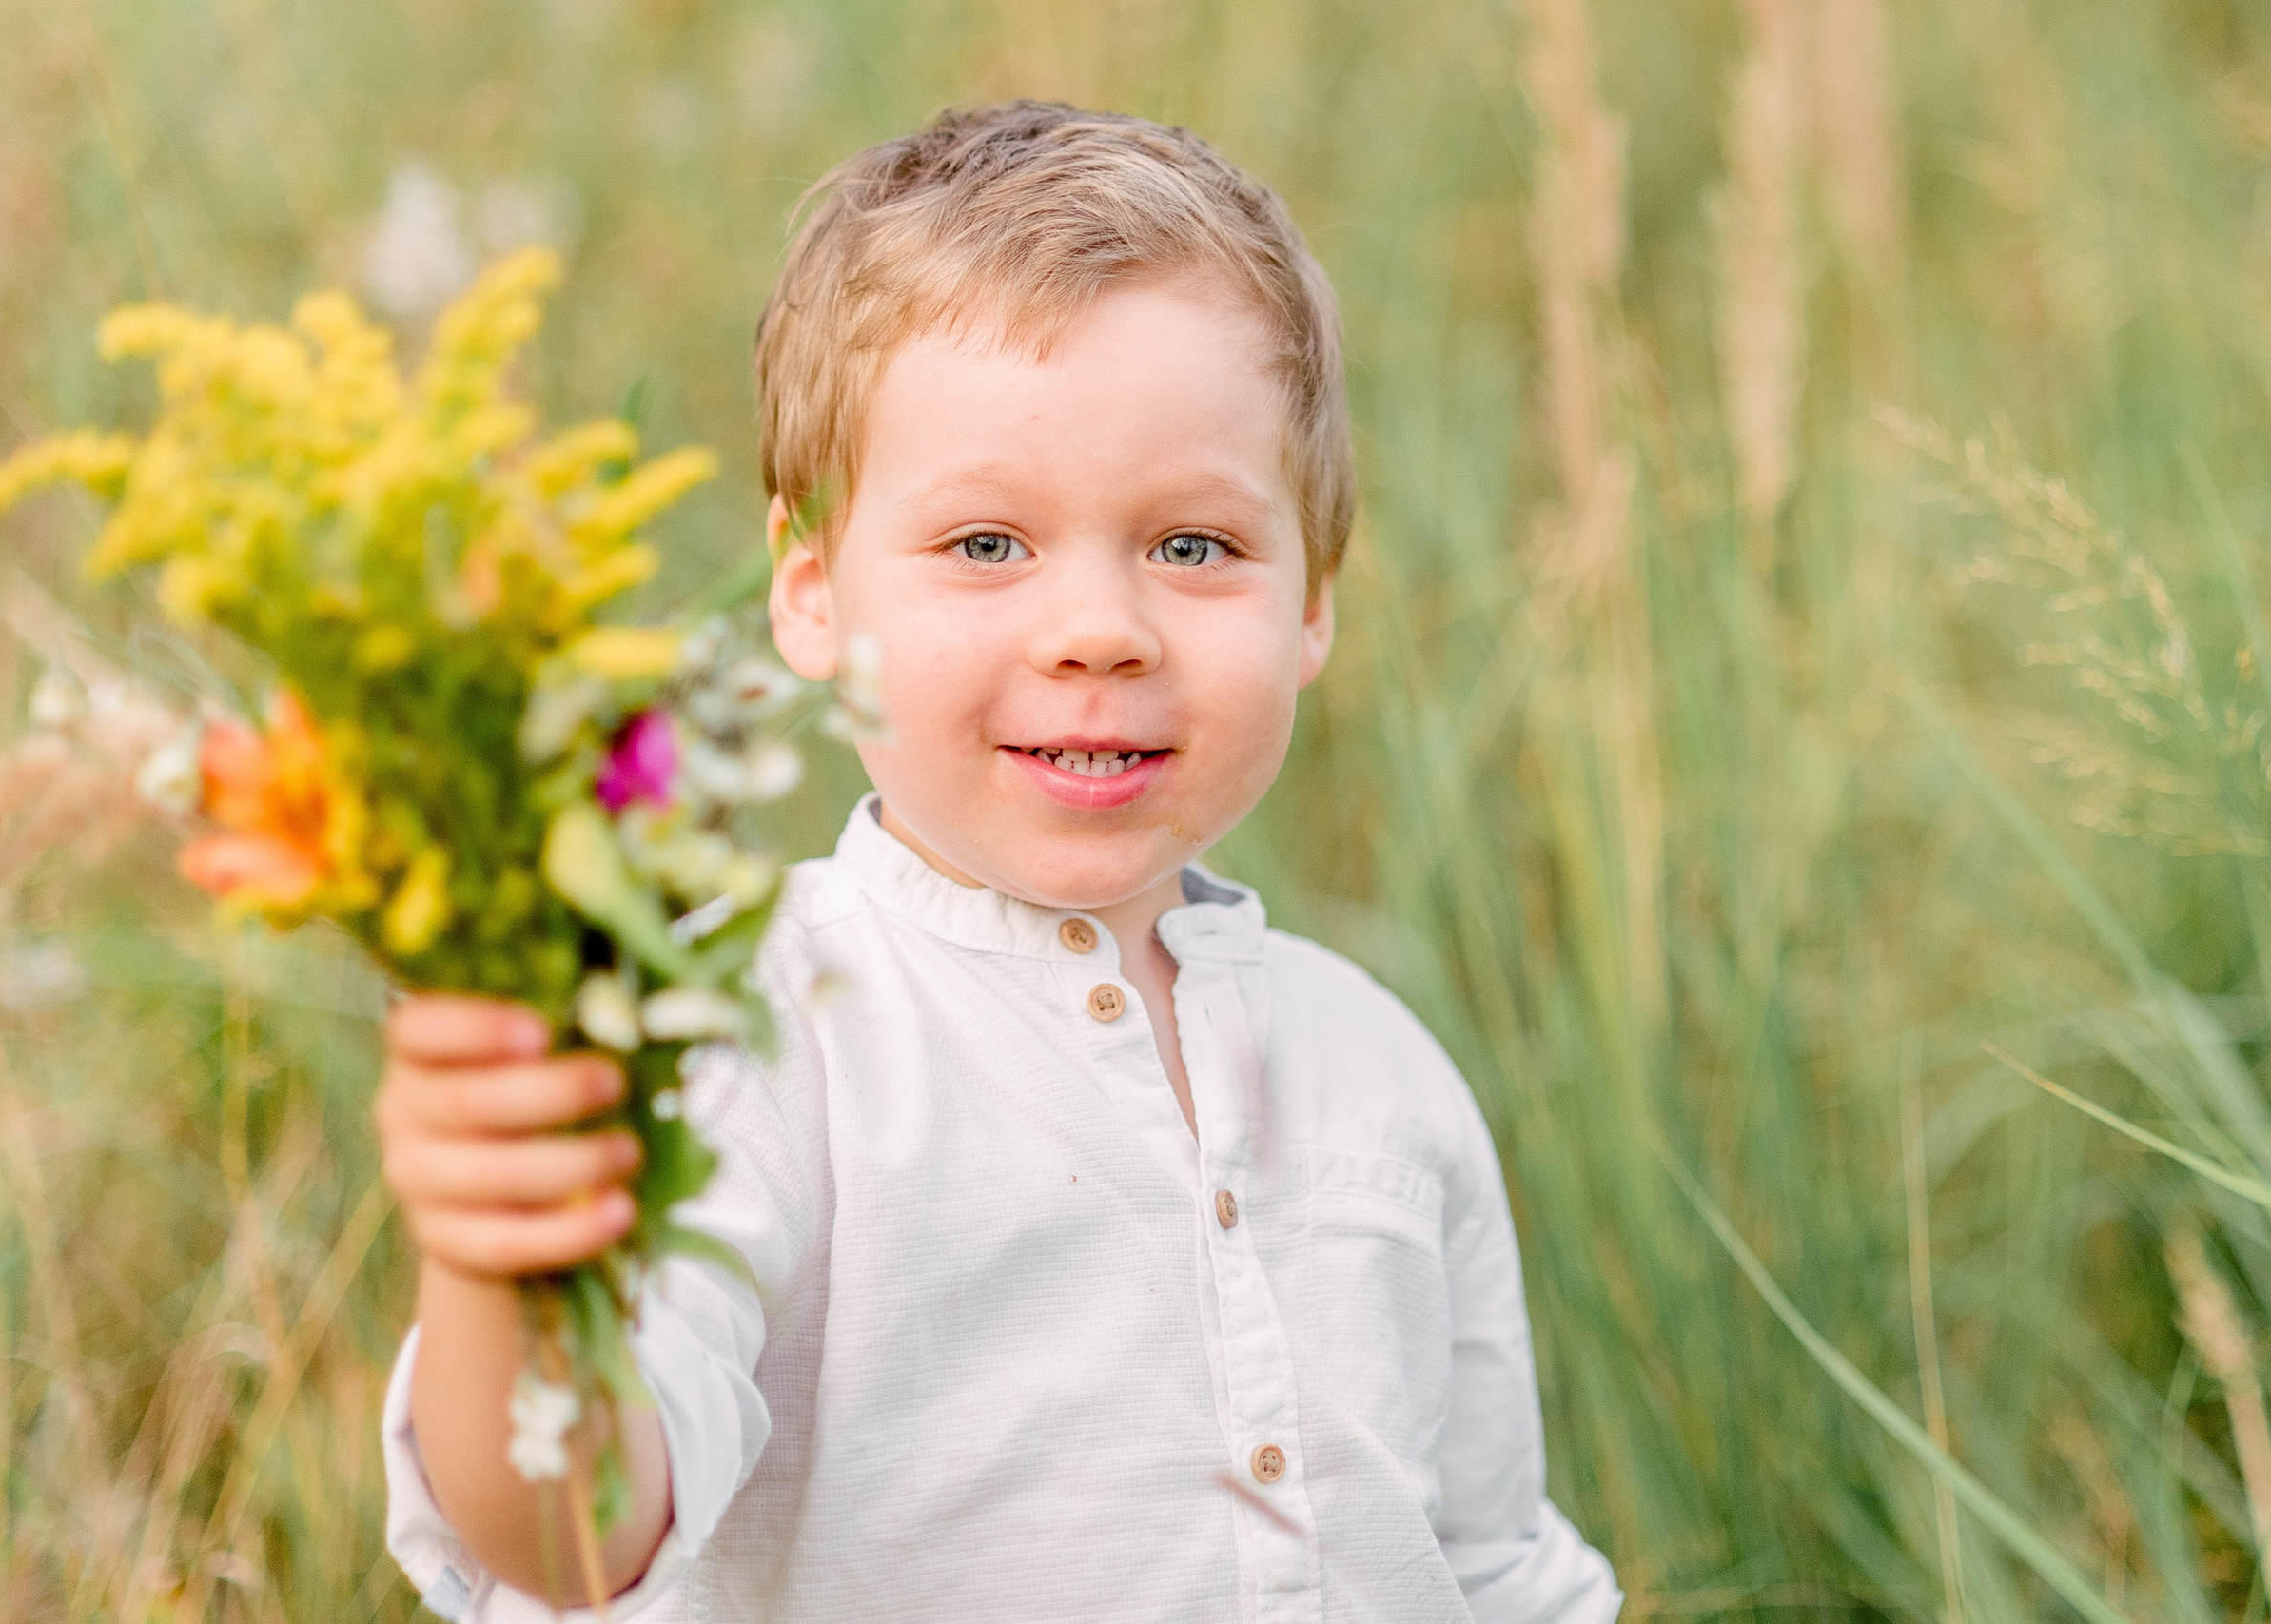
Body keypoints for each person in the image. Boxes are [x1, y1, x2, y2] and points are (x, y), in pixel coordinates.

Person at [374, 99, 1624, 1623]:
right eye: (986, 545)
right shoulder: (743, 1030)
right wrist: (499, 1252)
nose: (1098, 628)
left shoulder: (1382, 1073)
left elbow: (1493, 1571)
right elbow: (571, 1531)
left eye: (1192, 546)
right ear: (814, 593)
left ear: (1313, 598)